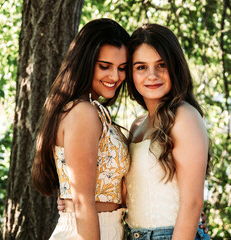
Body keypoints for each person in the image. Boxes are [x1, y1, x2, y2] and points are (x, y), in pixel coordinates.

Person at [31, 18, 131, 240]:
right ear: (85, 61)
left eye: (122, 68)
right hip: (88, 231)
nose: (115, 77)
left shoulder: (95, 111)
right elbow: (84, 201)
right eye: (105, 66)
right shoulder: (83, 112)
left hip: (106, 228)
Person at [124, 24, 211, 240]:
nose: (152, 75)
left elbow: (192, 203)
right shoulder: (137, 125)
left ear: (175, 67)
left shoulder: (184, 117)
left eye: (161, 65)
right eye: (141, 67)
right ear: (131, 73)